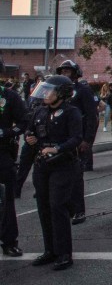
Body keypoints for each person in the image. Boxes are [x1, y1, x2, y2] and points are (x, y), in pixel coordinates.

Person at [26, 75, 83, 270]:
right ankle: (49, 250)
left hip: (62, 165)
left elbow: (76, 138)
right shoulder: (39, 112)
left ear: (61, 93)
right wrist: (29, 138)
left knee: (57, 206)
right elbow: (29, 131)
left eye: (49, 90)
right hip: (42, 165)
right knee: (43, 207)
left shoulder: (71, 112)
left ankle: (64, 253)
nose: (45, 94)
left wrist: (57, 148)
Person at [54, 60, 96, 224]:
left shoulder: (83, 91)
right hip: (61, 140)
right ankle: (65, 208)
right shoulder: (58, 91)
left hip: (78, 139)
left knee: (76, 177)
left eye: (68, 71)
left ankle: (79, 211)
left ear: (75, 72)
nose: (65, 73)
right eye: (63, 71)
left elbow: (92, 116)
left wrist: (87, 140)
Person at [0, 56, 29, 256]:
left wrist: (5, 132)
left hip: (2, 153)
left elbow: (23, 122)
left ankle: (9, 241)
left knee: (7, 199)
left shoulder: (9, 97)